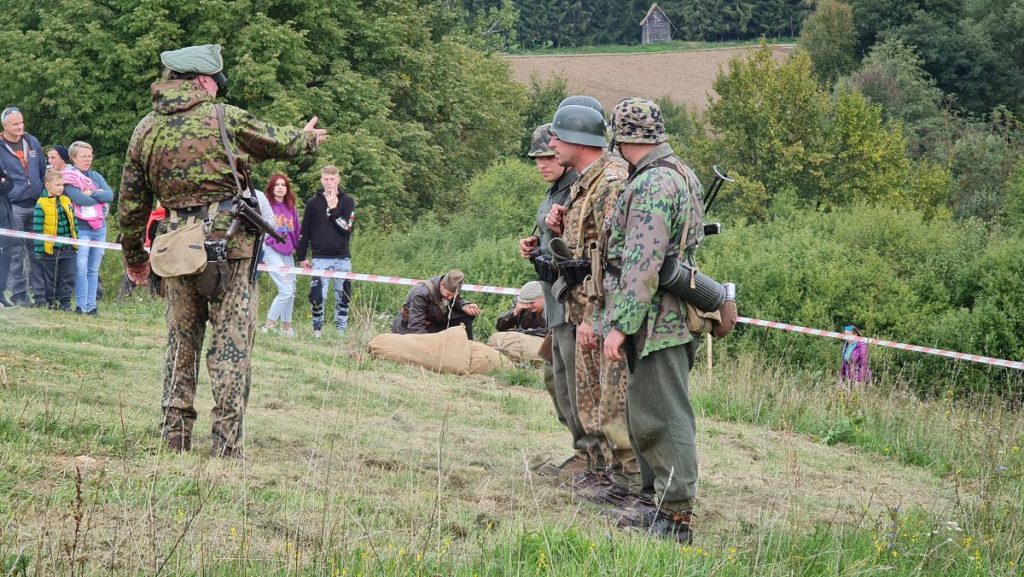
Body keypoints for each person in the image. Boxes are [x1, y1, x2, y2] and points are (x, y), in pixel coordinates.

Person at [118, 44, 326, 458]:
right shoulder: (223, 117)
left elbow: (130, 203)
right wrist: (308, 139)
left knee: (181, 343)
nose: (217, 87)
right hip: (230, 248)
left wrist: (135, 259)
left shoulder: (145, 128)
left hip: (176, 249)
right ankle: (227, 446)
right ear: (201, 80)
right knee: (231, 347)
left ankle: (174, 436)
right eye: (216, 80)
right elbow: (277, 141)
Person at [602, 97, 707, 543]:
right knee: (647, 415)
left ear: (622, 138)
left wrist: (620, 323)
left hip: (656, 320)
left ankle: (676, 517)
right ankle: (658, 504)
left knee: (664, 417)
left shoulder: (653, 184)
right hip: (660, 314)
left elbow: (642, 262)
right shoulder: (677, 173)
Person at [545, 103, 635, 478]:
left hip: (602, 310)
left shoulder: (611, 182)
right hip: (583, 308)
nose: (550, 144)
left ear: (577, 140)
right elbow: (588, 244)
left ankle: (626, 479)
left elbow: (617, 257)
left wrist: (597, 316)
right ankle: (600, 471)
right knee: (591, 403)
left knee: (612, 405)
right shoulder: (586, 182)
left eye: (556, 137)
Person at [518, 123, 587, 473]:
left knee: (575, 385)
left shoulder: (577, 190)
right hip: (553, 303)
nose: (542, 164)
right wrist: (534, 248)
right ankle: (582, 451)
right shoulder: (554, 192)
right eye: (537, 159)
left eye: (547, 156)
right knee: (556, 380)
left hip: (572, 303)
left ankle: (590, 457)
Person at [295, 166, 355, 338]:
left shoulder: (348, 201)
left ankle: (341, 331)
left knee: (343, 296)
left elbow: (348, 228)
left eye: (332, 179)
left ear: (338, 180)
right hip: (320, 257)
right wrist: (301, 256)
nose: (329, 183)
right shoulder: (313, 203)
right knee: (317, 295)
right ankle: (317, 329)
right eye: (326, 179)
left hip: (342, 258)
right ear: (321, 180)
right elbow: (305, 231)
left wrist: (334, 209)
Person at [0, 106, 47, 308]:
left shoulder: (31, 141)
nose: (20, 127)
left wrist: (41, 188)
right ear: (5, 126)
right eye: (15, 124)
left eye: (21, 122)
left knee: (37, 251)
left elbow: (42, 169)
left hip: (36, 203)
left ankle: (40, 296)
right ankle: (19, 295)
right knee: (16, 252)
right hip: (13, 205)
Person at [61, 141, 114, 315]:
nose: (87, 159)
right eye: (83, 156)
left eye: (90, 156)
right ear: (74, 158)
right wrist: (98, 196)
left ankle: (91, 306)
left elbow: (110, 195)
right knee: (81, 267)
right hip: (81, 228)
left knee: (93, 269)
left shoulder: (96, 176)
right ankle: (81, 305)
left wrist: (92, 193)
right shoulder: (69, 177)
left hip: (99, 227)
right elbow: (80, 199)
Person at [261, 173, 301, 337]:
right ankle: (269, 326)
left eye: (283, 185)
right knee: (285, 289)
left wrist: (297, 249)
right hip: (271, 250)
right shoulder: (266, 206)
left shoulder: (291, 207)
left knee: (291, 290)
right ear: (272, 187)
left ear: (287, 188)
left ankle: (286, 328)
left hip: (287, 252)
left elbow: (297, 230)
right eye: (277, 185)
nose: (280, 188)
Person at [32, 169, 77, 310]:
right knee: (51, 279)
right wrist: (39, 250)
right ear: (47, 185)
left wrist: (76, 243)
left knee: (67, 278)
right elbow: (38, 229)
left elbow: (73, 222)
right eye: (57, 185)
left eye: (62, 185)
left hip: (68, 248)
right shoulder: (41, 203)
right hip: (50, 250)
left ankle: (65, 304)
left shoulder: (66, 200)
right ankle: (52, 303)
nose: (60, 188)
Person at [392, 270, 481, 339]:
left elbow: (455, 301)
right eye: (448, 294)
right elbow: (416, 327)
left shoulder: (448, 290)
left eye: (453, 295)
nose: (450, 298)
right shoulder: (421, 294)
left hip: (433, 324)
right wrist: (433, 343)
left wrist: (464, 306)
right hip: (408, 329)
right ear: (442, 285)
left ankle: (467, 348)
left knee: (465, 318)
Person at [0, 165, 15, 307]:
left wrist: (4, 181)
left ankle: (1, 294)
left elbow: (10, 183)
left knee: (5, 260)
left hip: (6, 220)